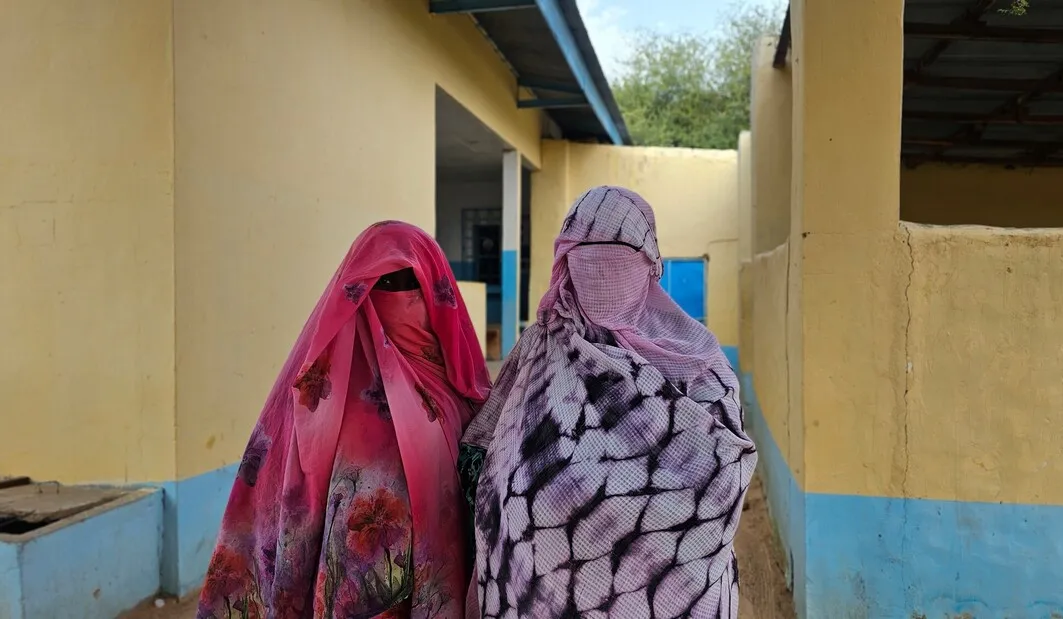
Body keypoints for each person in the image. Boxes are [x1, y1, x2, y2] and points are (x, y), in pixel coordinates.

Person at [460, 186, 758, 618]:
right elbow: (488, 457)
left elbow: (725, 474)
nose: (601, 274)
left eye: (615, 258)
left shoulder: (689, 361)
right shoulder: (543, 348)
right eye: (588, 257)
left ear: (649, 263)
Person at [197, 221, 491, 618]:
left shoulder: (461, 391)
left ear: (437, 293)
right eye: (383, 285)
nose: (397, 296)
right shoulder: (314, 401)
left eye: (411, 285)